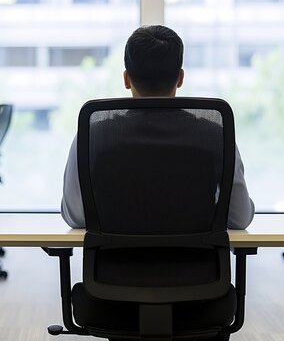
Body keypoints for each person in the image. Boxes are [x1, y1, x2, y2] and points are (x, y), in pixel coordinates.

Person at [60, 25, 255, 230]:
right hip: (192, 261)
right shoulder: (216, 136)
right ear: (180, 78)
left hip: (117, 261)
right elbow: (239, 218)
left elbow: (76, 216)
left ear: (126, 79)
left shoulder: (92, 136)